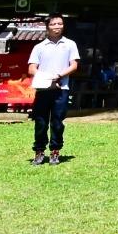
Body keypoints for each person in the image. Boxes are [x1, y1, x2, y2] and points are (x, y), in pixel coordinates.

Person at [27, 13, 79, 165]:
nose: (57, 27)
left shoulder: (70, 44)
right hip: (43, 90)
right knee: (41, 121)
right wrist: (47, 77)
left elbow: (74, 65)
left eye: (60, 24)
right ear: (47, 26)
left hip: (61, 89)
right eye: (54, 24)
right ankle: (39, 152)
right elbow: (31, 69)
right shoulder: (39, 47)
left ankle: (55, 152)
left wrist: (59, 75)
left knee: (57, 122)